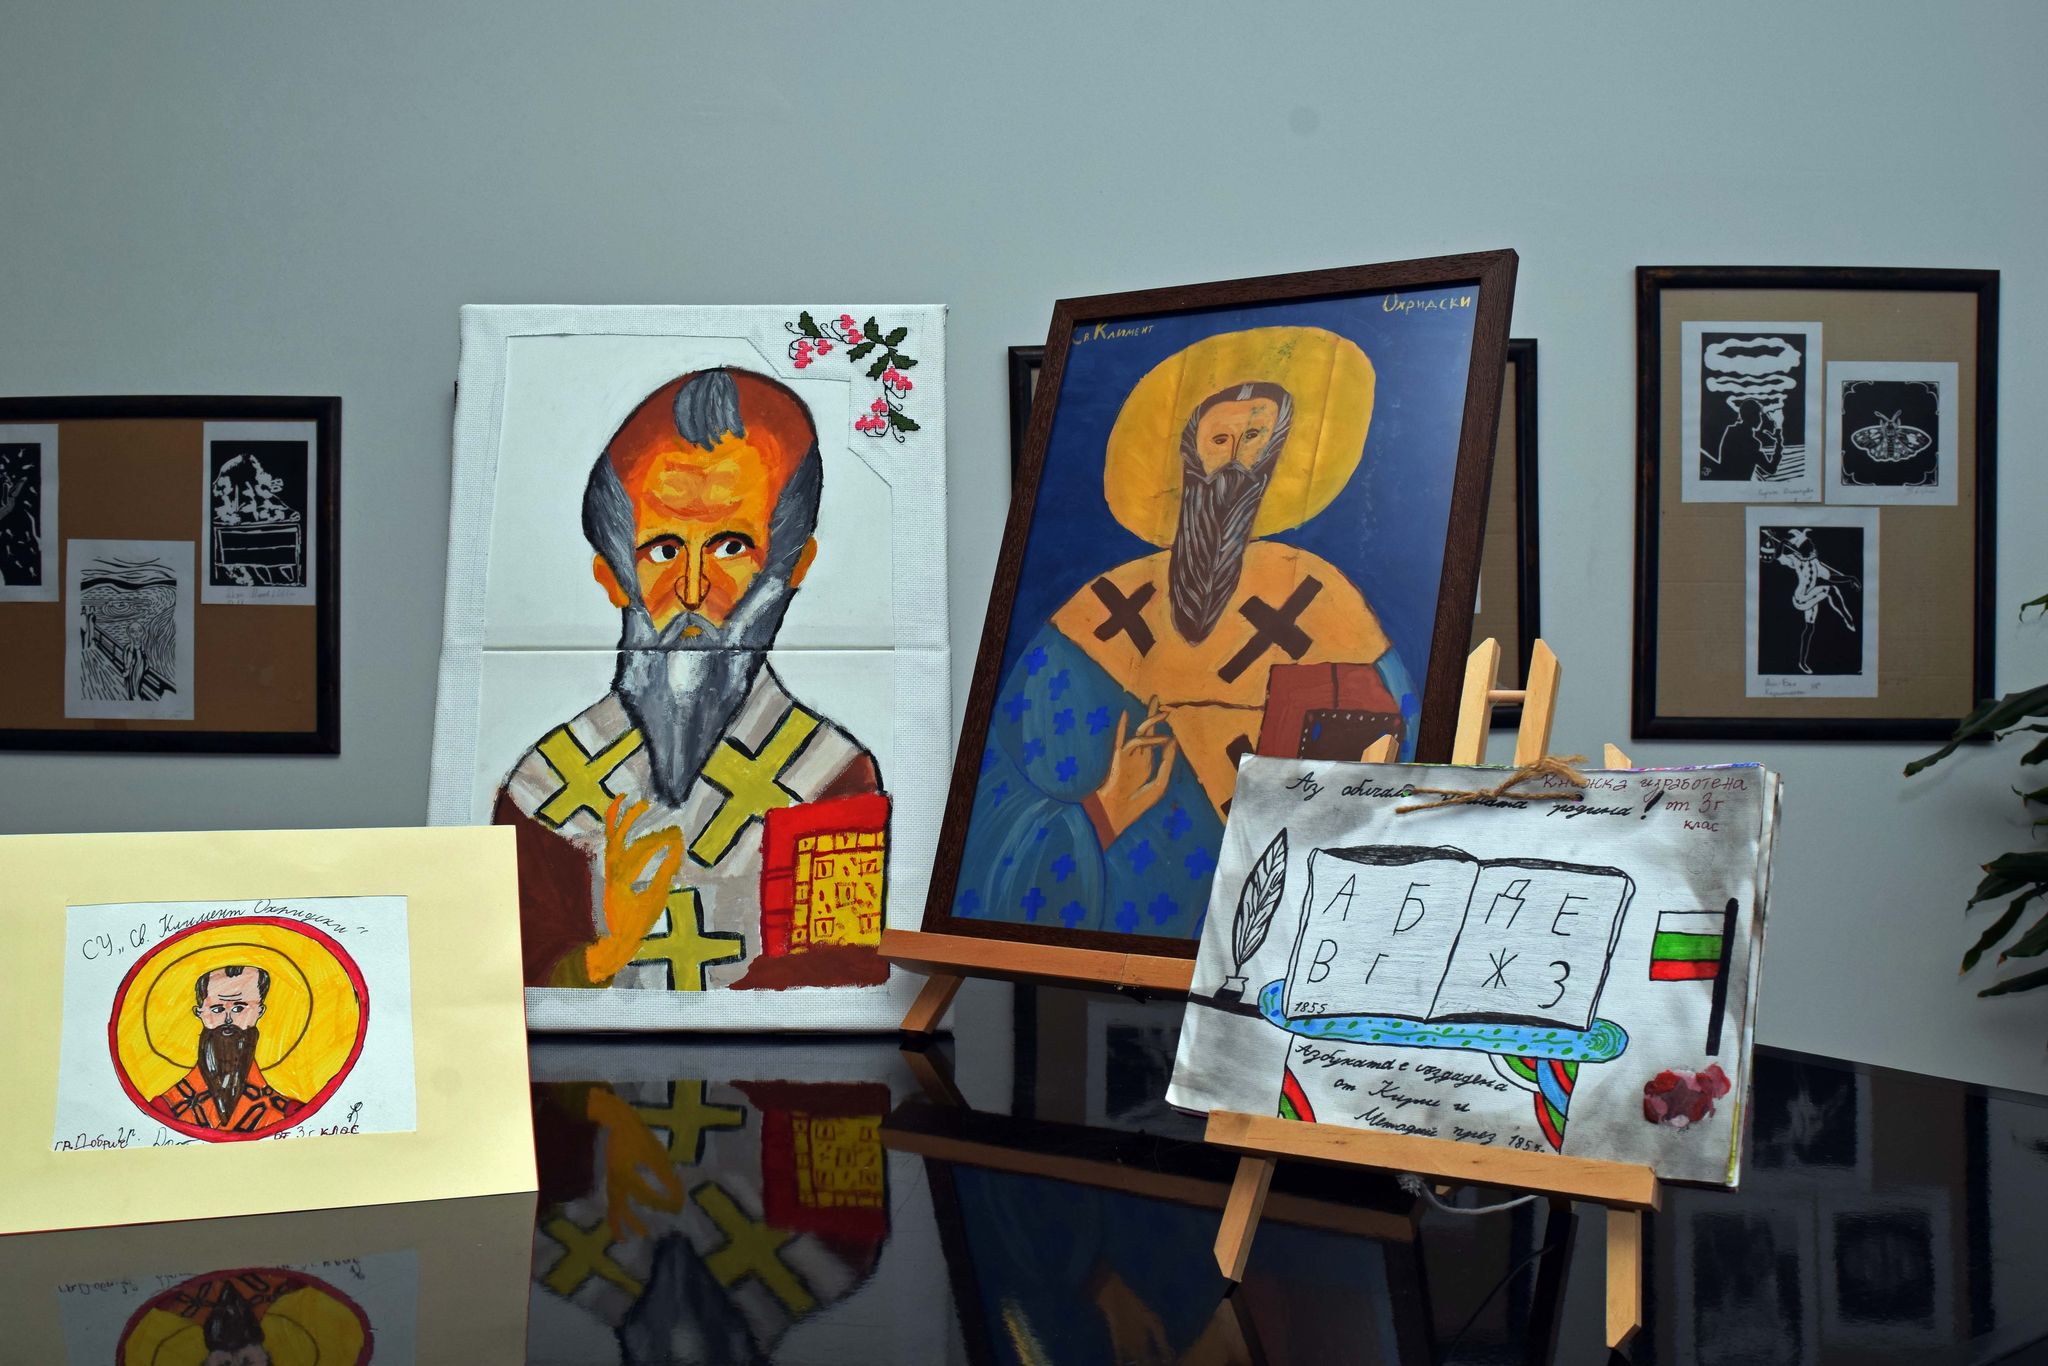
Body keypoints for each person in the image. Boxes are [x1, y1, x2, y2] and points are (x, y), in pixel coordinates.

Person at [953, 328, 1413, 937]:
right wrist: (1103, 811)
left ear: (1278, 451)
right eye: (1218, 438)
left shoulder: (1324, 599)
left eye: (1254, 437)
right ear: (1188, 453)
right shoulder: (1098, 610)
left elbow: (1398, 758)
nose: (1235, 457)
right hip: (1127, 924)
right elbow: (1002, 791)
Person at [495, 369, 886, 992]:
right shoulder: (543, 789)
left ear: (792, 567)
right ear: (612, 574)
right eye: (662, 550)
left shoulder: (831, 778)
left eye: (731, 547)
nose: (693, 589)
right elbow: (511, 984)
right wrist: (608, 953)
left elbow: (836, 984)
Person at [148, 965, 304, 1134]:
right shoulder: (165, 1109)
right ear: (200, 1013)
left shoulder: (289, 1114)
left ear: (260, 1011)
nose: (228, 1019)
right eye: (217, 1009)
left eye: (239, 1008)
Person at [1766, 529, 1857, 674]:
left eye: (1811, 544)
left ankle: (1802, 662)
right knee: (1831, 590)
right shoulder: (1795, 561)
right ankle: (1848, 618)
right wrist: (1782, 543)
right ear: (1802, 549)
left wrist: (1850, 578)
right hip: (1801, 599)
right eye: (1809, 545)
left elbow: (1830, 577)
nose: (1813, 547)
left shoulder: (1815, 562)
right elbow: (1777, 556)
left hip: (1811, 598)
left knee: (1809, 629)